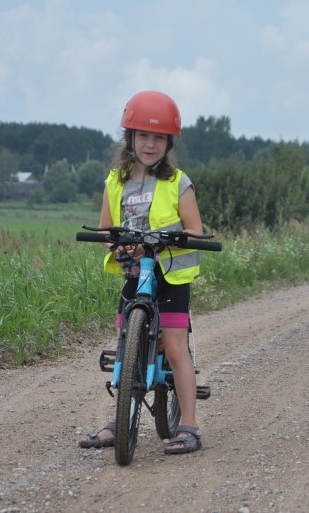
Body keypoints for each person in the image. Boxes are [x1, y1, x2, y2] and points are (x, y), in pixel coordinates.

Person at [79, 90, 204, 455]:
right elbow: (106, 229)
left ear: (168, 143)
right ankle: (121, 418)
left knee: (177, 348)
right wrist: (113, 244)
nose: (150, 144)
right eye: (143, 136)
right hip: (135, 274)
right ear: (129, 138)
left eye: (159, 137)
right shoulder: (115, 182)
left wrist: (177, 237)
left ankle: (190, 426)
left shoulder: (178, 182)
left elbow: (195, 230)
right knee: (125, 350)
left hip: (171, 276)